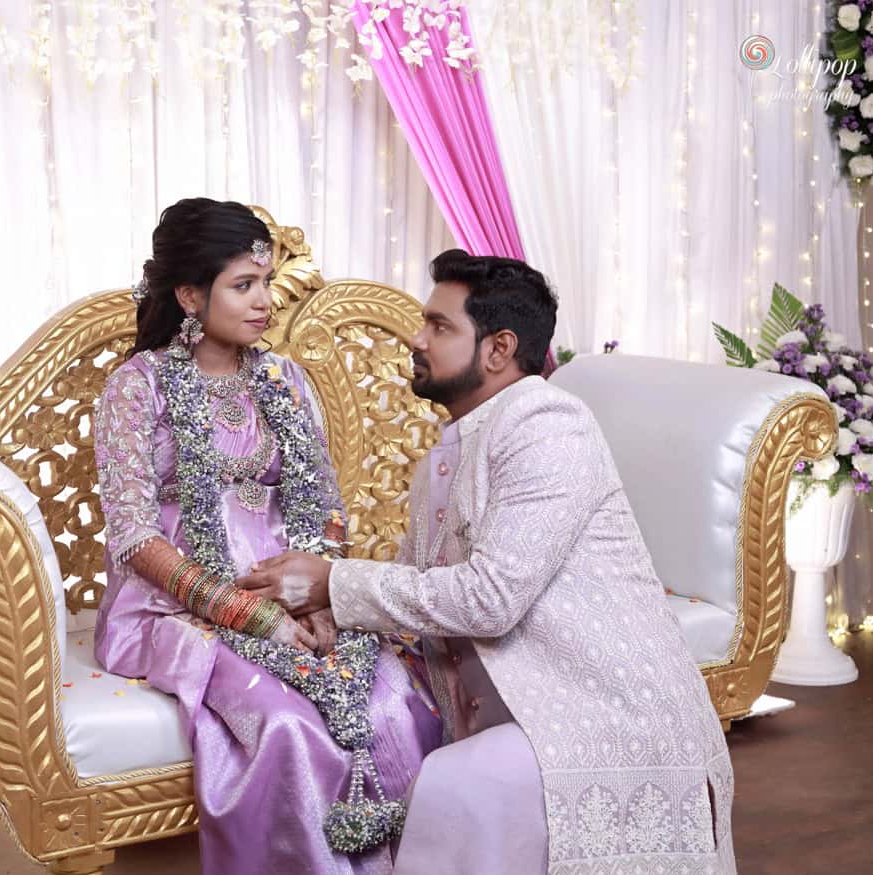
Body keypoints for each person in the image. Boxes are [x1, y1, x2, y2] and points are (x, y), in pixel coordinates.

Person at [237, 250, 737, 874]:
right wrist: (330, 614)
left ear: (499, 348)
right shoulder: (452, 447)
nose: (415, 340)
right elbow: (417, 593)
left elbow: (490, 598)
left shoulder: (547, 426)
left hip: (597, 710)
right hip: (518, 716)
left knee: (456, 784)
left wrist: (334, 581)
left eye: (438, 327)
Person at [92, 198, 442, 874]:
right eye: (243, 284)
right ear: (191, 294)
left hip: (297, 587)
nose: (264, 302)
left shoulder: (284, 378)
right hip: (180, 602)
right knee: (285, 723)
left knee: (394, 700)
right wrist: (242, 610)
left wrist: (322, 593)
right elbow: (133, 534)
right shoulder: (137, 388)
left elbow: (328, 509)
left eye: (265, 282)